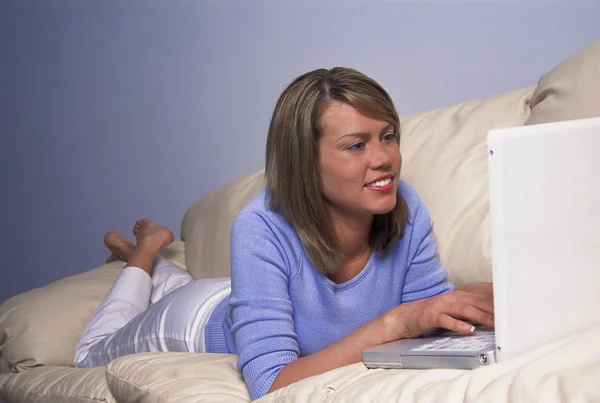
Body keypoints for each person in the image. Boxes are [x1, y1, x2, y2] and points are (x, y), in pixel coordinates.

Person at [75, 67, 494, 401]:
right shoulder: (260, 225)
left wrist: (469, 308)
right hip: (198, 318)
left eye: (388, 137)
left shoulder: (406, 204)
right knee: (89, 351)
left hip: (248, 293)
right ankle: (144, 253)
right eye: (356, 145)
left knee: (178, 282)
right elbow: (270, 384)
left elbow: (423, 317)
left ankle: (155, 261)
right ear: (305, 162)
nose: (384, 158)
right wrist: (395, 322)